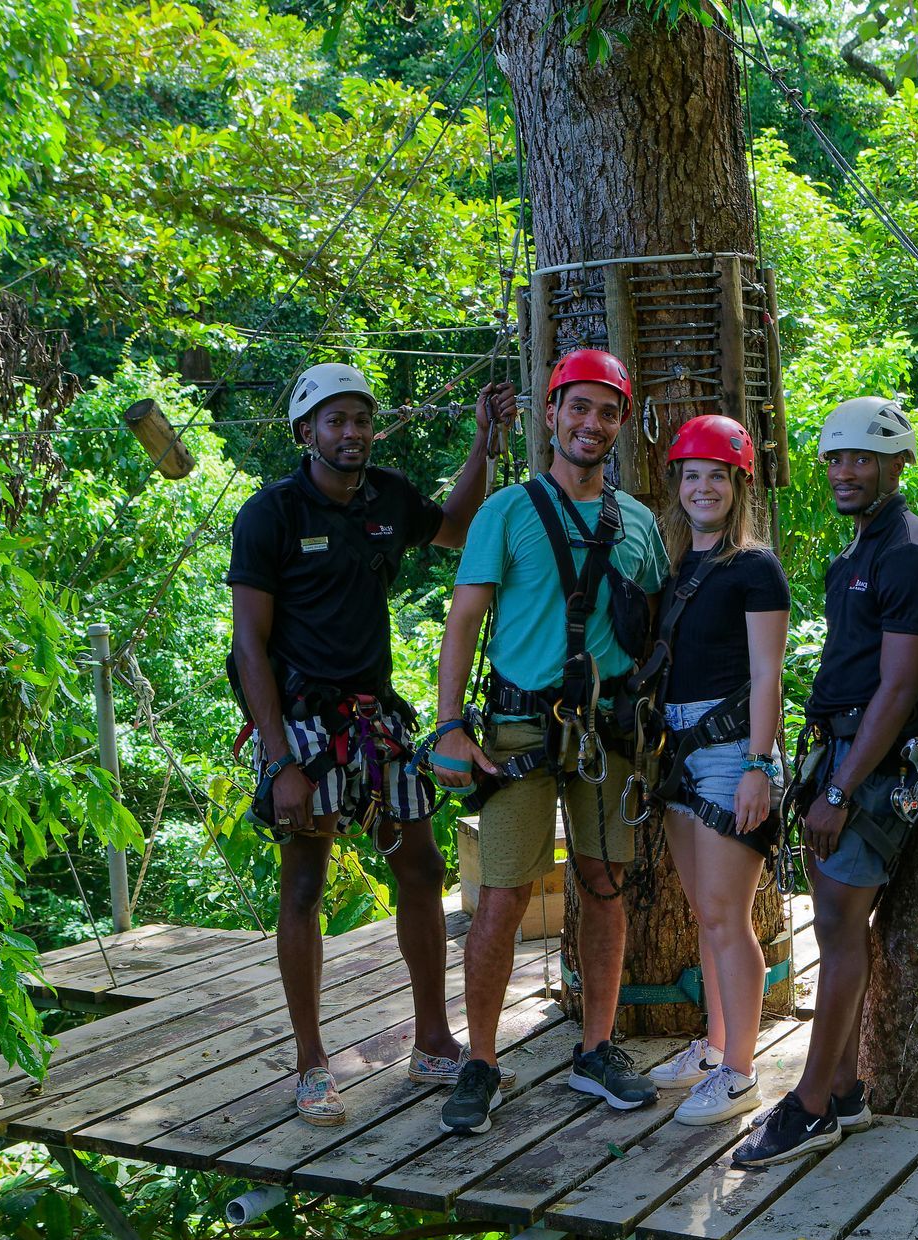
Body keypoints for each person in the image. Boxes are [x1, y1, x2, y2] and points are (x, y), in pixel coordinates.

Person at [227, 362, 517, 1126]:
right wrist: (281, 759)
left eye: (361, 419)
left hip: (375, 717)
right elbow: (249, 647)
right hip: (302, 723)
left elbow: (454, 527)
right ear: (305, 432)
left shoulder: (386, 497)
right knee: (305, 885)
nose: (352, 433)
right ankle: (311, 1063)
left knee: (420, 869)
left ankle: (432, 1040)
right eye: (335, 421)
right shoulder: (271, 515)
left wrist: (486, 444)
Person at [427, 348, 670, 1136]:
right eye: (578, 407)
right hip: (518, 728)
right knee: (500, 896)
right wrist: (450, 724)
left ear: (621, 424)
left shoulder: (635, 523)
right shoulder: (506, 511)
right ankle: (482, 1061)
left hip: (608, 730)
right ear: (552, 413)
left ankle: (596, 1048)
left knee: (603, 886)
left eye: (607, 411)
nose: (590, 423)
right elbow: (464, 620)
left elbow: (659, 623)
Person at [731, 396, 918, 1168]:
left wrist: (839, 791)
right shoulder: (858, 553)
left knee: (839, 929)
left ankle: (813, 1104)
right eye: (835, 457)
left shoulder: (910, 556)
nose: (846, 470)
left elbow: (900, 687)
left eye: (864, 457)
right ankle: (848, 1090)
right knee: (837, 922)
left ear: (899, 465)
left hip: (869, 760)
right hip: (843, 751)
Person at [640, 416, 790, 1126]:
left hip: (732, 750)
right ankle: (713, 1046)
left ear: (738, 486)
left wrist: (759, 764)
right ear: (678, 486)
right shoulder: (679, 568)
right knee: (706, 913)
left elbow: (768, 674)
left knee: (730, 918)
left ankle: (739, 1073)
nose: (703, 487)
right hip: (679, 750)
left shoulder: (753, 566)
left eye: (717, 476)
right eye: (692, 475)